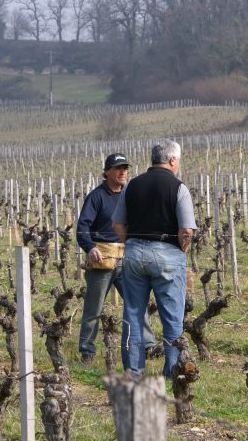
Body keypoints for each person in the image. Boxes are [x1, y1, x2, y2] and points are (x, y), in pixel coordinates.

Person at [112, 140, 196, 378]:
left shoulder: (131, 186)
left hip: (134, 253)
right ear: (172, 160)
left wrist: (132, 242)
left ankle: (133, 370)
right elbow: (187, 230)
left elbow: (117, 223)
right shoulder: (179, 188)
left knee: (133, 314)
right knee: (172, 317)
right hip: (168, 254)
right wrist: (181, 249)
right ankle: (172, 370)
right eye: (178, 160)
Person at [76, 153, 159, 365]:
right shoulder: (96, 197)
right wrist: (90, 247)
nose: (123, 172)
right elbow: (82, 228)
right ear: (106, 172)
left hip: (127, 258)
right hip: (101, 259)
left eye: (125, 168)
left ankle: (148, 346)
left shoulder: (130, 195)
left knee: (137, 303)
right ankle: (87, 351)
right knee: (94, 308)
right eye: (117, 168)